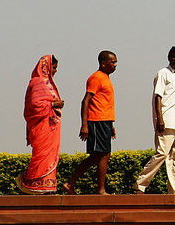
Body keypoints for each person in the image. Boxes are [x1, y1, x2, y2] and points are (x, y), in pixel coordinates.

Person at [135, 46, 175, 194]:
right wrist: (159, 118)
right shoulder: (163, 73)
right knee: (162, 153)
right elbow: (158, 97)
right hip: (166, 119)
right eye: (173, 56)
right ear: (169, 57)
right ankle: (140, 184)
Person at [64, 50, 118, 195]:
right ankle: (99, 189)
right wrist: (84, 124)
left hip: (105, 121)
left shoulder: (105, 78)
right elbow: (85, 101)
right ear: (103, 63)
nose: (115, 65)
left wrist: (111, 124)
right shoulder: (96, 78)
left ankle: (71, 183)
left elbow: (104, 102)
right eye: (113, 62)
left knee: (100, 155)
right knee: (102, 154)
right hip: (96, 120)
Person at [19, 55, 65, 194]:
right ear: (46, 67)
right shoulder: (37, 82)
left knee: (49, 156)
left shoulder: (48, 84)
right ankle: (33, 183)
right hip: (41, 126)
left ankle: (46, 186)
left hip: (50, 127)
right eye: (54, 67)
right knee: (40, 154)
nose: (55, 71)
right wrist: (53, 104)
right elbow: (34, 105)